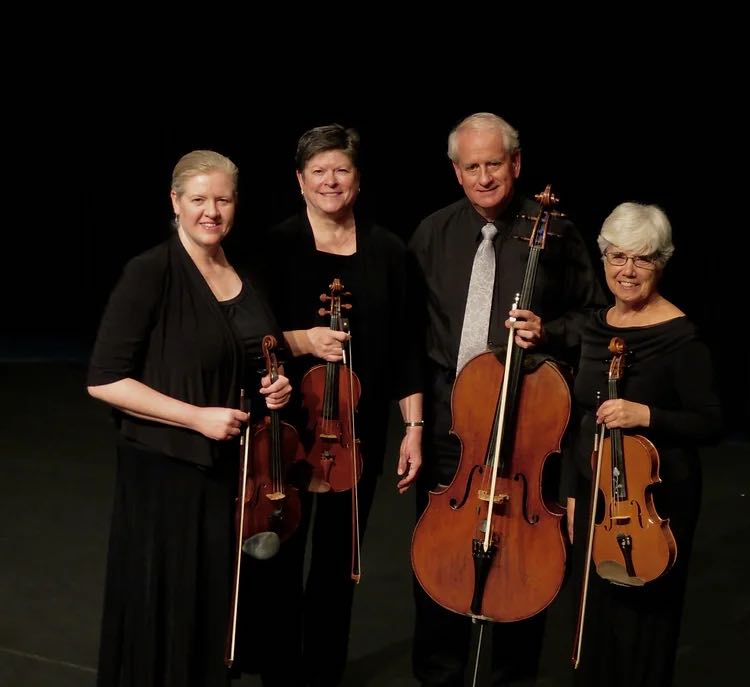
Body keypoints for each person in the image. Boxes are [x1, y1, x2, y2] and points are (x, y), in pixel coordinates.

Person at [408, 112, 607, 686]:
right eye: (472, 166)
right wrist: (417, 419)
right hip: (453, 417)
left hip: (527, 423)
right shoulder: (432, 234)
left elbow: (594, 318)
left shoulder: (558, 233)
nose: (485, 176)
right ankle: (440, 673)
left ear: (515, 164)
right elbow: (412, 334)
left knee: (522, 552)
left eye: (494, 163)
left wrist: (548, 331)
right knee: (440, 548)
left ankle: (511, 675)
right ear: (456, 172)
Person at [87, 150, 293, 687]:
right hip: (166, 469)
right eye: (198, 199)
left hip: (228, 470)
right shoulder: (150, 271)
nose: (211, 211)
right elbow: (104, 379)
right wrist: (195, 418)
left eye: (222, 199)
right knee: (169, 607)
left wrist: (273, 385)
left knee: (211, 609)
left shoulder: (240, 271)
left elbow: (251, 353)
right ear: (175, 203)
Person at [239, 123, 423, 687]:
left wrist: (413, 426)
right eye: (318, 171)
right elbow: (253, 335)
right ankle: (274, 667)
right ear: (299, 181)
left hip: (355, 428)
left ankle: (322, 671)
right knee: (281, 542)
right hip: (286, 420)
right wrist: (304, 340)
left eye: (341, 169)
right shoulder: (275, 246)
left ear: (359, 180)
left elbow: (407, 346)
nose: (330, 180)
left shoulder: (389, 251)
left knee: (340, 559)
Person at [563, 201, 723, 686]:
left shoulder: (680, 336)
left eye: (643, 258)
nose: (627, 271)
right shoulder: (596, 326)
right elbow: (580, 420)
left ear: (662, 262)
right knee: (593, 625)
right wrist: (572, 494)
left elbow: (711, 422)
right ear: (603, 259)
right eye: (617, 257)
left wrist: (645, 415)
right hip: (595, 496)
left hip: (655, 501)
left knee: (642, 629)